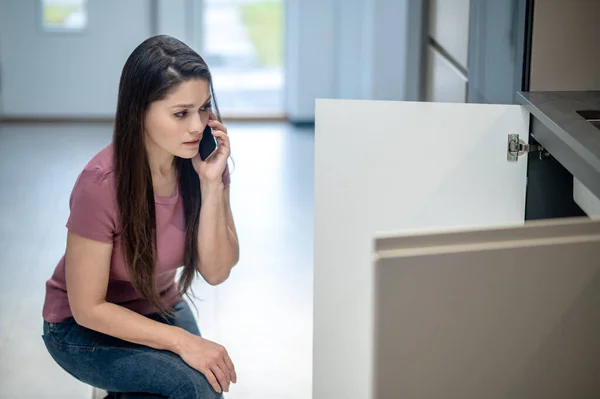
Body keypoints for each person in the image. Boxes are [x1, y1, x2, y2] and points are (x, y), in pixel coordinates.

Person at [41, 34, 240, 399]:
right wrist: (182, 342)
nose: (198, 126)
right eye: (181, 113)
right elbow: (88, 309)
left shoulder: (203, 164)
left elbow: (216, 271)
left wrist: (212, 185)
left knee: (197, 383)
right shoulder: (100, 184)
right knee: (193, 386)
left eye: (204, 108)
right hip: (79, 327)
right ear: (140, 112)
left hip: (157, 305)